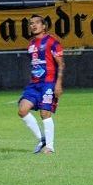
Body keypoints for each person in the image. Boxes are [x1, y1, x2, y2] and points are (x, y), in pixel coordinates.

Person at [17, 14, 64, 154]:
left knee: (45, 113)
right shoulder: (31, 44)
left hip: (48, 83)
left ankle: (50, 147)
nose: (33, 25)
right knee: (22, 110)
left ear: (44, 26)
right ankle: (41, 139)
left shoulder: (52, 42)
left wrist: (58, 83)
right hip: (34, 84)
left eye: (37, 23)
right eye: (31, 23)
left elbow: (61, 64)